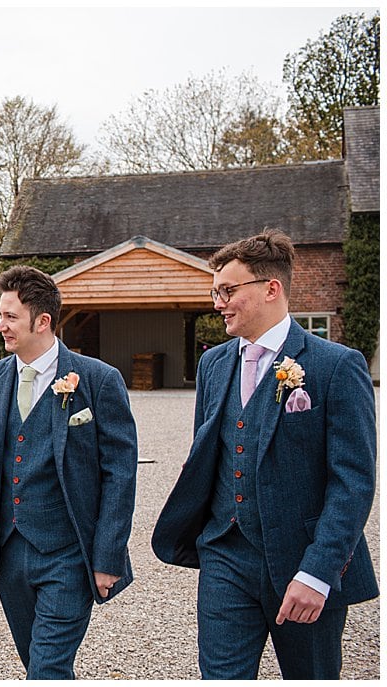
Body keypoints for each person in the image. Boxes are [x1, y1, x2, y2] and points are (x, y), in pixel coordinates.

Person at [151, 229, 378, 679]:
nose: (218, 303)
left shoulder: (336, 365)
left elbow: (353, 481)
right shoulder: (213, 364)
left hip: (302, 560)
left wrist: (318, 572)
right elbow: (208, 451)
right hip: (223, 556)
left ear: (271, 289)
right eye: (215, 291)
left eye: (228, 290)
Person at [0, 265, 138, 679]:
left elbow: (120, 475)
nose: (0, 325)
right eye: (0, 315)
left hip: (70, 552)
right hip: (9, 553)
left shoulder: (98, 380)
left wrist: (108, 556)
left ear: (43, 321)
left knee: (48, 667)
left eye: (10, 317)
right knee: (36, 662)